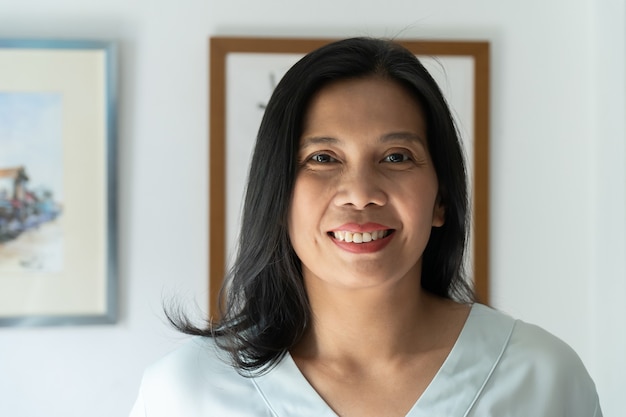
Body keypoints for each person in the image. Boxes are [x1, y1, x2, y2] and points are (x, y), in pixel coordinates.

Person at [129, 37, 602, 416]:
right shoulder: (185, 394)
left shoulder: (544, 378)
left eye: (397, 157)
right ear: (277, 197)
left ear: (441, 199)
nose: (360, 192)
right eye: (323, 158)